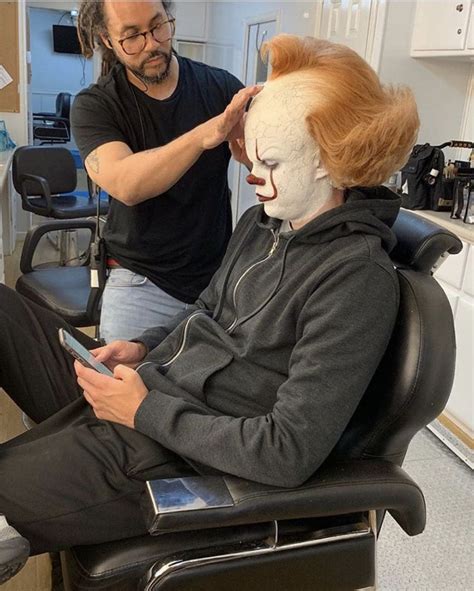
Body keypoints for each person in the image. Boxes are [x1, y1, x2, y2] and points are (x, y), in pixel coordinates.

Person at [0, 34, 419, 583]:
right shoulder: (263, 226)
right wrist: (146, 346)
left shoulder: (356, 280)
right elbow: (205, 311)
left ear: (327, 163)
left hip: (178, 453)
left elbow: (287, 450)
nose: (253, 176)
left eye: (271, 161)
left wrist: (143, 411)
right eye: (251, 157)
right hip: (153, 387)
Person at [72, 0, 255, 342]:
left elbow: (260, 155)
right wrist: (205, 135)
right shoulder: (96, 105)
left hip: (217, 282)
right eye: (132, 37)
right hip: (141, 283)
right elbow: (126, 182)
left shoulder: (219, 86)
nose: (152, 44)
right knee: (123, 387)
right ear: (107, 40)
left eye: (158, 26)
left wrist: (258, 155)